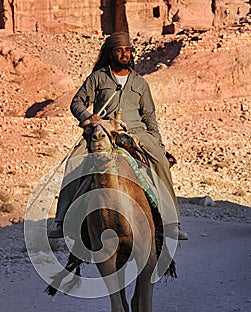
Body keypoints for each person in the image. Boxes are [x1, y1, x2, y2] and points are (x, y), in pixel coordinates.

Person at [50, 31, 188, 240]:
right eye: (119, 50)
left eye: (127, 50)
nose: (124, 54)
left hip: (136, 132)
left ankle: (171, 222)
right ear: (111, 53)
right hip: (103, 129)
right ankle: (62, 221)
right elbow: (76, 103)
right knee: (74, 161)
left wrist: (156, 141)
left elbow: (149, 115)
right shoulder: (98, 78)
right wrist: (89, 118)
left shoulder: (140, 83)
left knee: (160, 160)